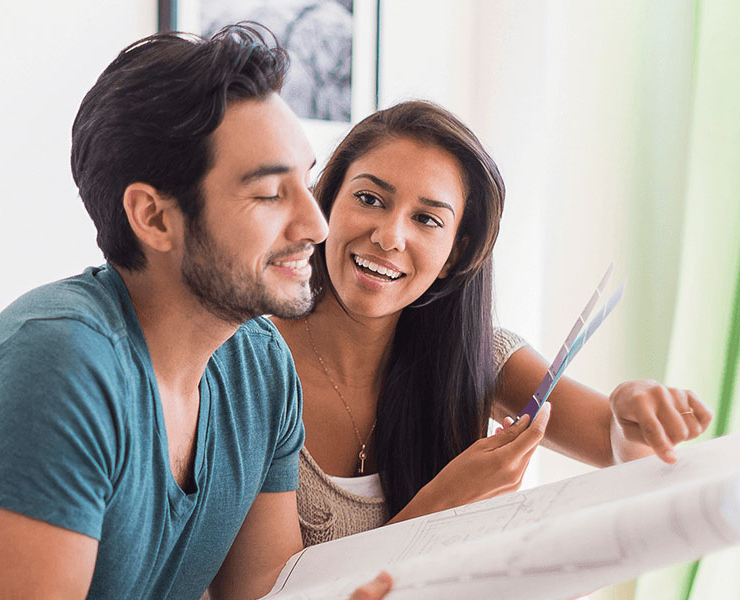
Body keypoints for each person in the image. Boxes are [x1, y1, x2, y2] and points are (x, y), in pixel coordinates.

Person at [0, 25, 389, 599]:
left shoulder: (262, 370)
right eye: (270, 194)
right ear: (153, 217)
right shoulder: (58, 364)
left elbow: (262, 591)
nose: (315, 226)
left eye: (307, 181)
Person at [270, 101, 714, 546]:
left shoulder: (481, 359)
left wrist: (627, 413)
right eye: (369, 199)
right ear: (325, 206)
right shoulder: (253, 368)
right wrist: (443, 503)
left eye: (426, 219)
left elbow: (619, 448)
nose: (389, 236)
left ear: (455, 255)